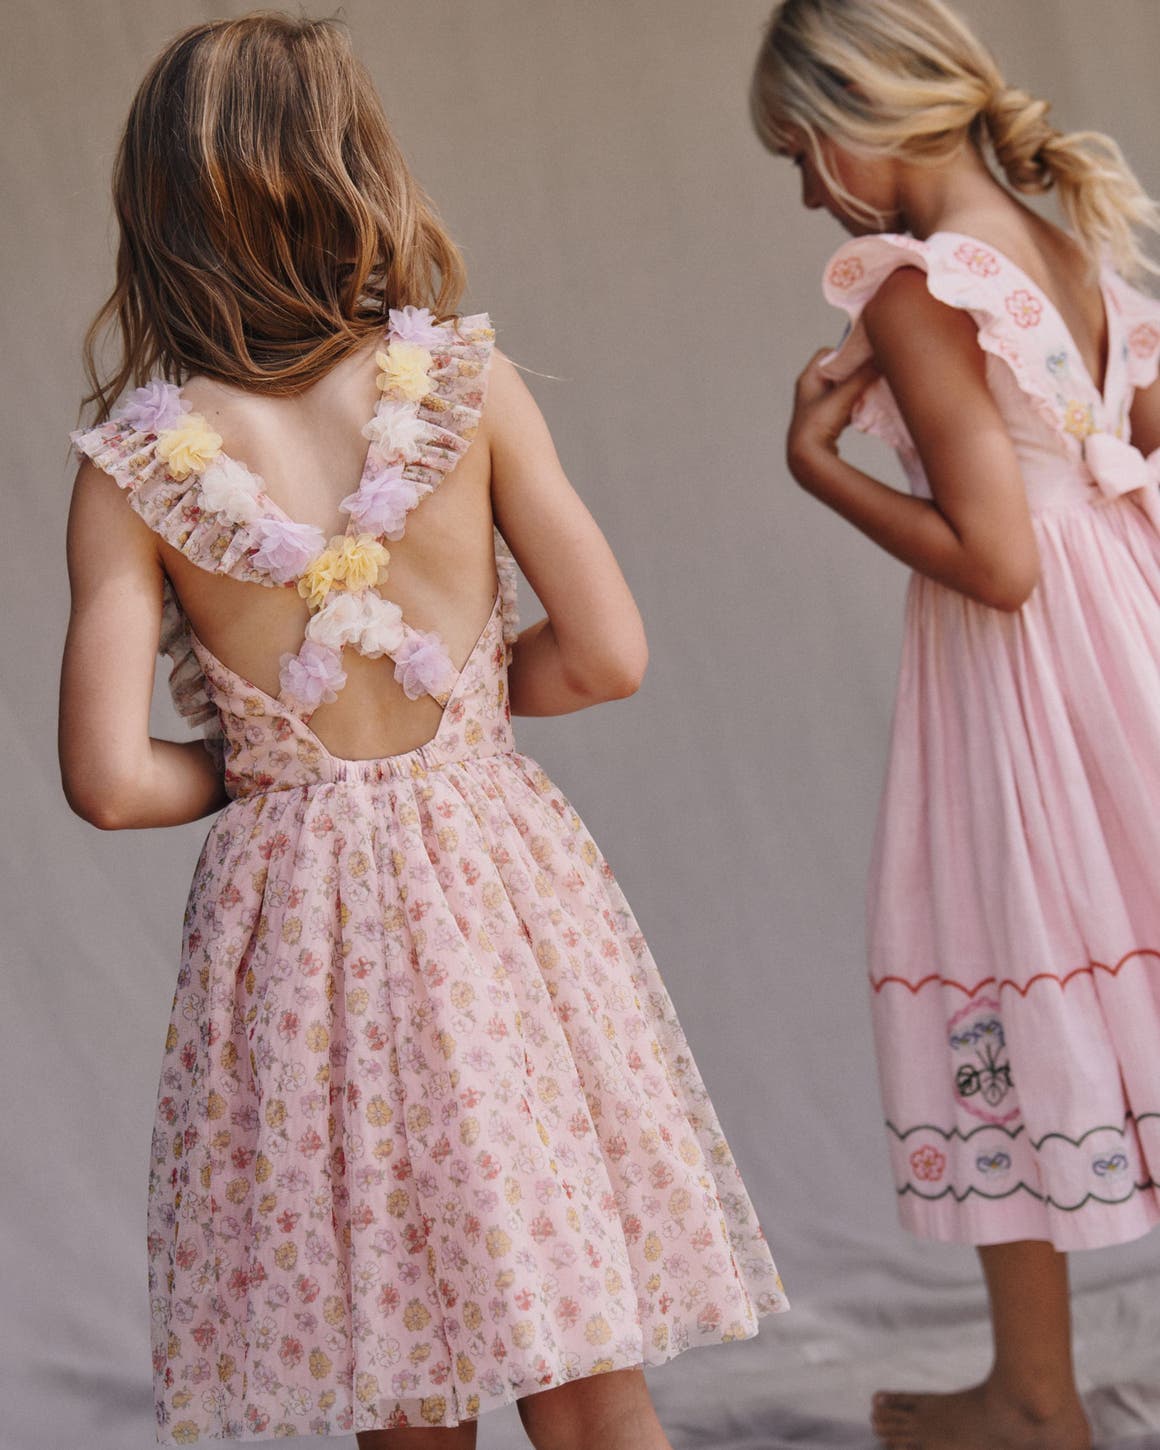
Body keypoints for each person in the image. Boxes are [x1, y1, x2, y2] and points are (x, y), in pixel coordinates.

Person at [60, 15, 787, 1447]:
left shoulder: (133, 467)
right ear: (356, 173)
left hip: (301, 934)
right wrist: (471, 712)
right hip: (493, 894)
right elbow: (610, 653)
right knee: (584, 1362)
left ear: (155, 214)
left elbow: (111, 782)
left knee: (399, 1358)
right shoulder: (461, 383)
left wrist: (262, 766)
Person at [751, 2, 1160, 1447]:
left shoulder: (920, 287)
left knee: (1002, 956)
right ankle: (1029, 1391)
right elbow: (1140, 435)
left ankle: (1038, 1398)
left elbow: (999, 561)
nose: (808, 194)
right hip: (1133, 632)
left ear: (856, 116)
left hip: (1029, 673)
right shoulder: (1067, 234)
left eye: (800, 153)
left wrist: (818, 465)